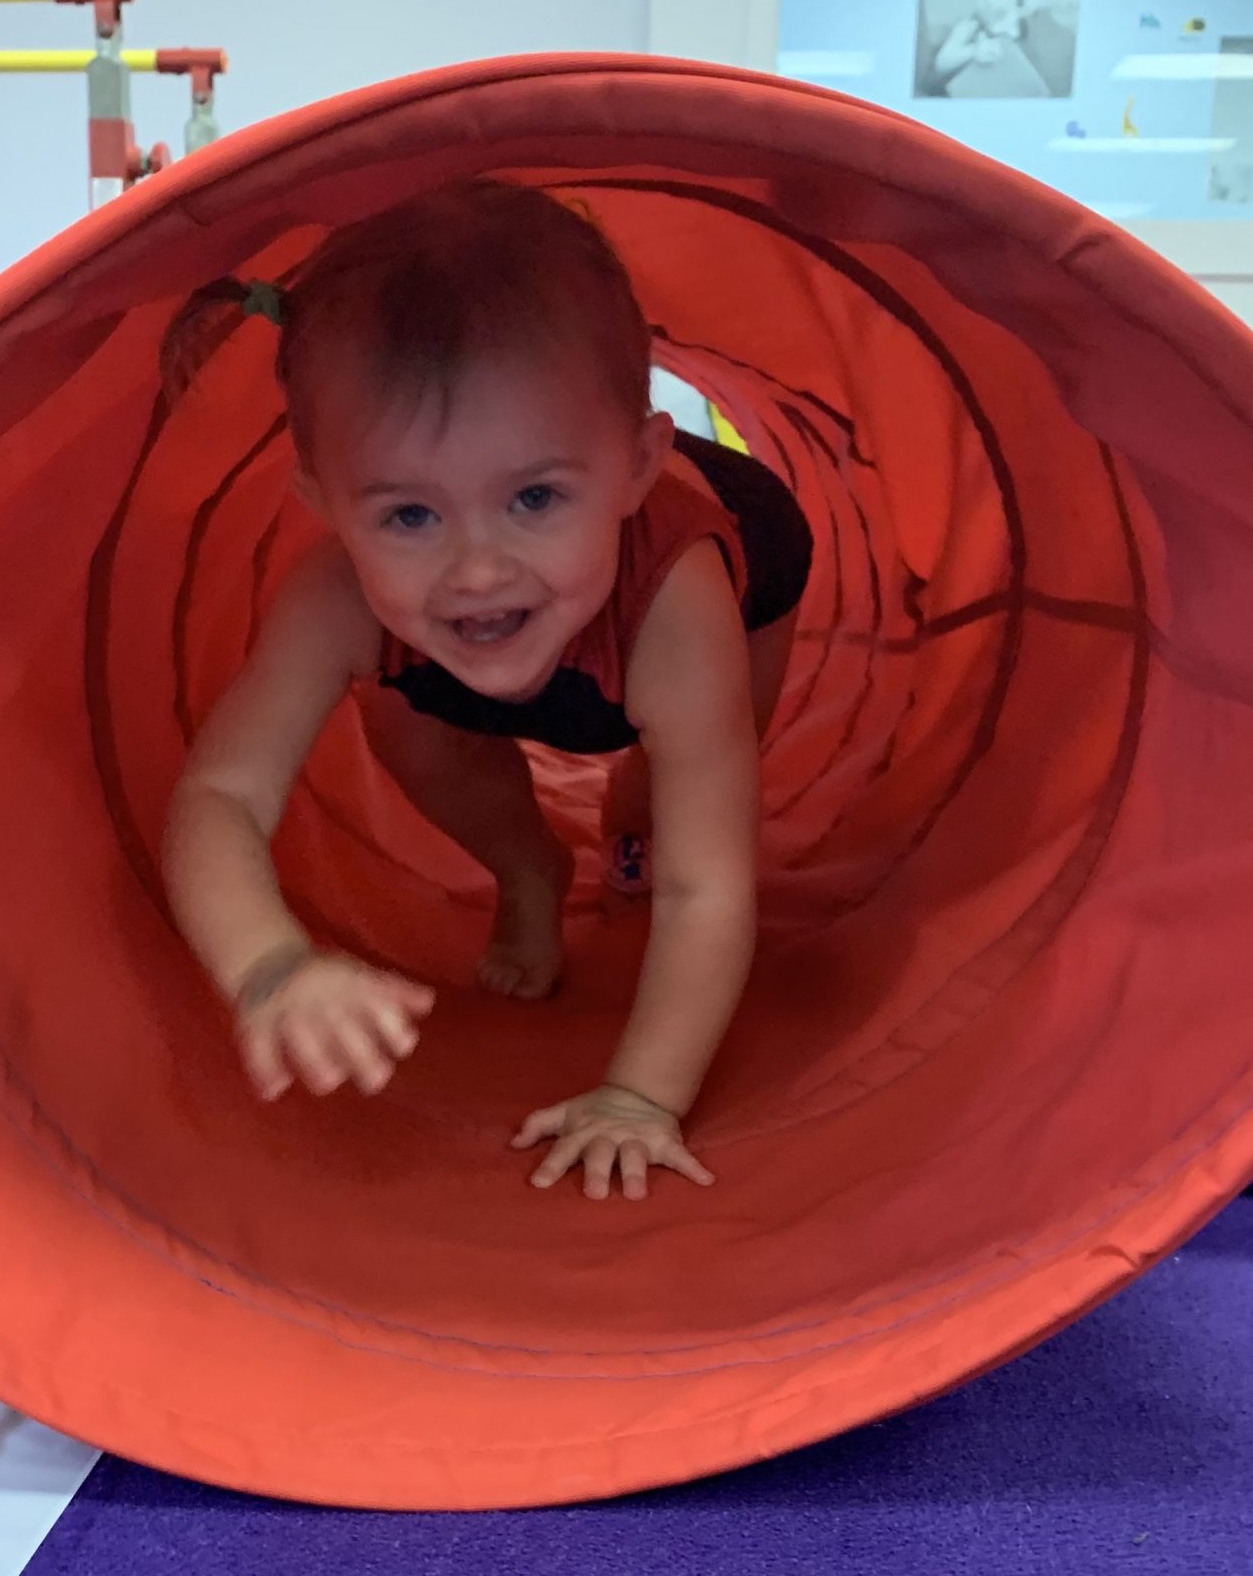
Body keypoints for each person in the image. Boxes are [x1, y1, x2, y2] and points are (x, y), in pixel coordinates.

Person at [160, 180, 813, 1201]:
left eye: (533, 497)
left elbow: (712, 886)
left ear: (640, 464)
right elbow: (219, 797)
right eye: (410, 515)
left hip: (733, 563)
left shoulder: (682, 603)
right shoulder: (338, 598)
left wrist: (643, 1096)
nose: (476, 568)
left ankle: (619, 828)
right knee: (414, 741)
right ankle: (530, 870)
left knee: (676, 809)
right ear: (323, 502)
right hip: (484, 647)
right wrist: (271, 966)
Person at [927, 0, 1076, 101]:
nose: (991, 2)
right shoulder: (970, 26)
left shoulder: (1024, 12)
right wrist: (973, 51)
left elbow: (1050, 3)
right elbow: (941, 63)